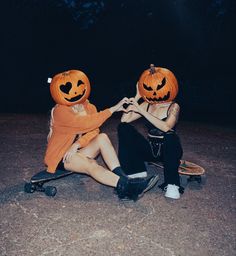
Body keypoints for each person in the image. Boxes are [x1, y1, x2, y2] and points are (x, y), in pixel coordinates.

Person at [44, 69, 158, 201]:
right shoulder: (60, 110)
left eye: (78, 85)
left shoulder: (89, 107)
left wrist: (77, 144)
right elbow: (85, 123)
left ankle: (124, 180)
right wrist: (114, 108)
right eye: (68, 88)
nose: (74, 92)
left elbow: (94, 130)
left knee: (102, 137)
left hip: (78, 150)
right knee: (91, 165)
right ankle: (128, 186)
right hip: (62, 156)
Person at [118, 65, 183, 199]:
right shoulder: (147, 104)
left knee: (170, 136)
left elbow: (166, 127)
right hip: (151, 150)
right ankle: (137, 171)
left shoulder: (174, 106)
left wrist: (141, 111)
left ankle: (172, 184)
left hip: (169, 150)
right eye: (148, 88)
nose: (154, 92)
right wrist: (136, 97)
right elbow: (125, 120)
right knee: (123, 128)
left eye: (159, 87)